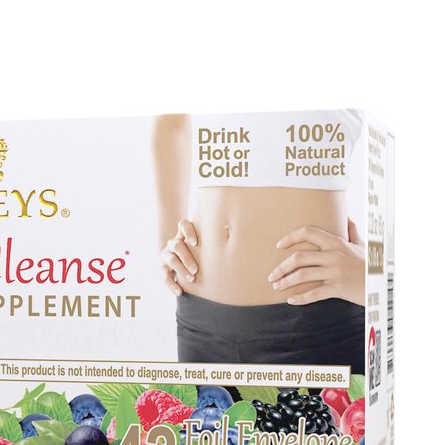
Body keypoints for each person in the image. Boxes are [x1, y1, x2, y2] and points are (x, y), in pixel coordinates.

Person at [154, 112, 365, 374]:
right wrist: (166, 242)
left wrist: (374, 281)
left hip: (313, 321)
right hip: (199, 319)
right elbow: (172, 121)